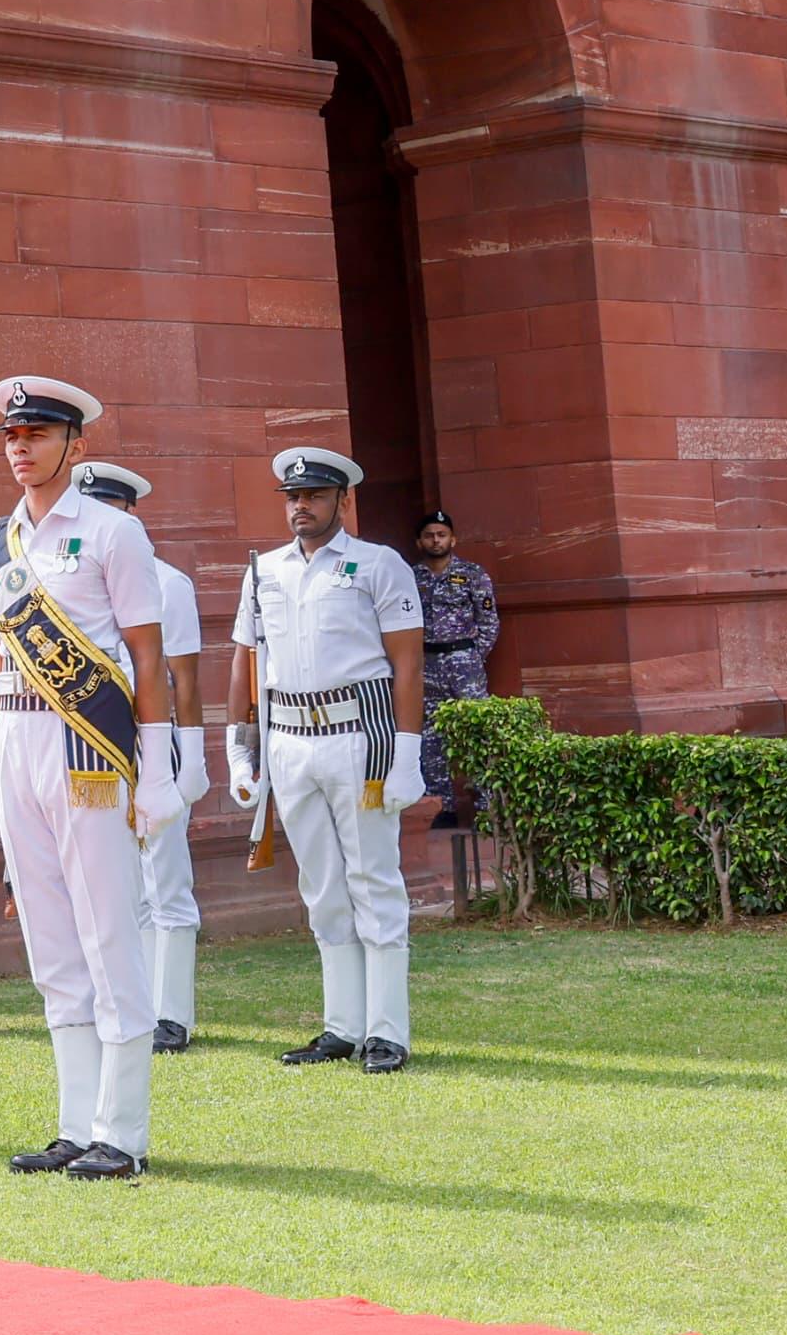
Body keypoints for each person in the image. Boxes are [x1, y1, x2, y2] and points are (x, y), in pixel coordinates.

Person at [0, 378, 177, 1182]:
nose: (21, 446)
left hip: (87, 745)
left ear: (76, 443)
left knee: (106, 934)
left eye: (37, 433)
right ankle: (73, 1122)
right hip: (16, 735)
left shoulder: (113, 532)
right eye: (11, 435)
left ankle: (119, 1133)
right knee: (50, 941)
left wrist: (157, 768)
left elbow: (147, 653)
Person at [231, 446, 429, 1073]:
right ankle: (342, 1025)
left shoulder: (379, 564)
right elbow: (246, 659)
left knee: (373, 880)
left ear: (342, 500)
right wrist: (241, 749)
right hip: (289, 737)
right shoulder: (264, 570)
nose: (300, 506)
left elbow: (407, 662)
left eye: (314, 496)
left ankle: (387, 1030)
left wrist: (407, 753)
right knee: (321, 889)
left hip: (359, 732)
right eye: (292, 497)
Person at [75, 464, 209, 1049]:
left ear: (129, 513)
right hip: (92, 743)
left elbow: (184, 677)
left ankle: (171, 1012)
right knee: (113, 880)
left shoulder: (167, 582)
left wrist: (196, 758)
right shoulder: (69, 579)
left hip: (153, 739)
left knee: (166, 880)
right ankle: (127, 1006)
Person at [412, 511, 497, 816]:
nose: (436, 540)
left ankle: (487, 806)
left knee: (479, 731)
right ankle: (441, 808)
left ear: (453, 539)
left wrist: (471, 657)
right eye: (430, 535)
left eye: (442, 534)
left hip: (465, 664)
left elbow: (489, 622)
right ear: (419, 541)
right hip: (426, 663)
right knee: (430, 737)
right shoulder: (410, 578)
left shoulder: (473, 574)